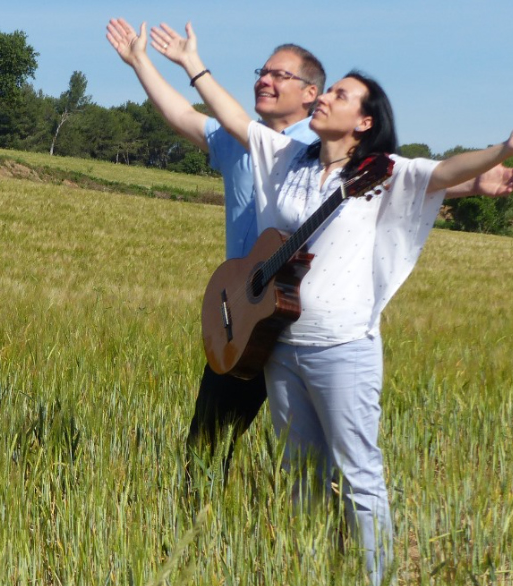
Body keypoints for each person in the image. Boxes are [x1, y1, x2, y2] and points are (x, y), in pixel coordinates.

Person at [144, 20, 513, 585]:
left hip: (342, 348)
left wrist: (502, 151)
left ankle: (374, 576)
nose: (326, 98)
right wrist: (193, 65)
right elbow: (231, 117)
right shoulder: (287, 159)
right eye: (328, 90)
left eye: (340, 94)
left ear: (364, 122)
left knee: (358, 475)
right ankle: (316, 571)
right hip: (279, 345)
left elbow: (446, 171)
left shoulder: (385, 173)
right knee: (301, 474)